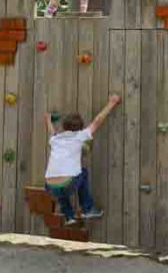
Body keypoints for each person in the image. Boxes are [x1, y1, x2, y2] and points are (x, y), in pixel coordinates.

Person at [44, 94, 120, 225]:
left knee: (61, 188)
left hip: (49, 186)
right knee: (82, 173)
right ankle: (88, 208)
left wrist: (48, 120)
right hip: (68, 183)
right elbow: (98, 120)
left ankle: (69, 216)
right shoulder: (80, 136)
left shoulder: (55, 139)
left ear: (64, 126)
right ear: (80, 127)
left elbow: (51, 132)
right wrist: (112, 103)